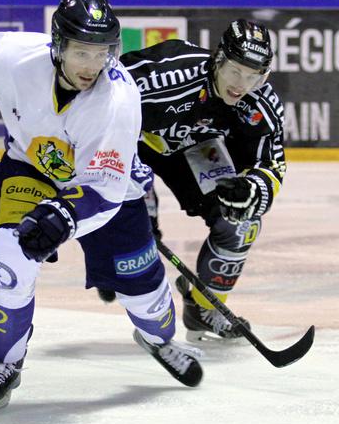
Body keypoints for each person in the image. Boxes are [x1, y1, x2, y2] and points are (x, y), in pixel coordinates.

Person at [0, 0, 203, 415]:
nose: (92, 65)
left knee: (145, 296)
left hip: (106, 191)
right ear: (58, 46)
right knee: (8, 259)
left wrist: (63, 215)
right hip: (29, 168)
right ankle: (5, 363)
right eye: (81, 52)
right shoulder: (15, 56)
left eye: (102, 52)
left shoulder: (117, 99)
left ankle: (158, 339)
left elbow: (104, 190)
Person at [105, 19, 286, 344]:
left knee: (241, 223)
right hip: (132, 143)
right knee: (136, 229)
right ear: (218, 59)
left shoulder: (260, 104)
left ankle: (203, 309)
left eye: (253, 76)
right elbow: (96, 108)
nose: (241, 85)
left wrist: (251, 188)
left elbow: (271, 164)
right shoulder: (165, 75)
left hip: (197, 149)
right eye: (235, 71)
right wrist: (125, 193)